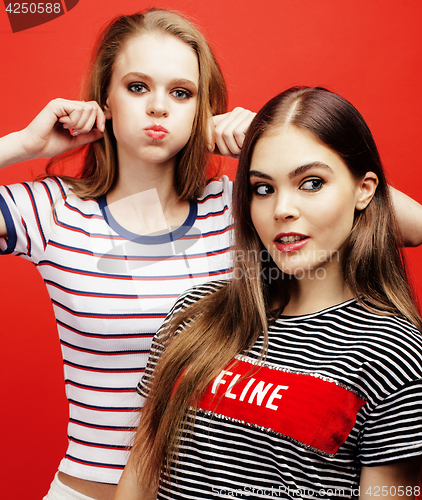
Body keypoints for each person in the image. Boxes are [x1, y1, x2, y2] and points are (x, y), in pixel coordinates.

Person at [116, 87, 422, 500]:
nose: (282, 209)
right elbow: (138, 479)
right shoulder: (195, 314)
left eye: (311, 183)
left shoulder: (396, 354)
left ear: (365, 190)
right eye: (263, 188)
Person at [0, 8, 255, 500]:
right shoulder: (53, 210)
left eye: (181, 93)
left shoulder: (237, 207)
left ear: (202, 109)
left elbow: (399, 224)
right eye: (138, 87)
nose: (159, 107)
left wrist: (269, 148)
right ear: (105, 100)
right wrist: (21, 144)